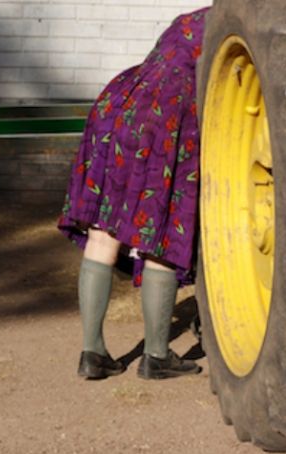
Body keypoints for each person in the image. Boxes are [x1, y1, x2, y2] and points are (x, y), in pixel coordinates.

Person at [58, 7, 209, 380]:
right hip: (169, 116)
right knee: (163, 230)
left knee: (103, 231)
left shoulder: (190, 19)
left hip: (119, 106)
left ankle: (92, 353)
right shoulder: (238, 23)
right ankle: (156, 356)